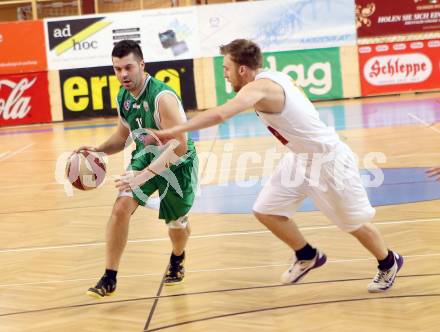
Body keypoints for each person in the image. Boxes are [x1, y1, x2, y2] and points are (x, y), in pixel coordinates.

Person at [127, 39, 403, 293]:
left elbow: (221, 113)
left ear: (243, 69)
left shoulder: (259, 88)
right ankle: (307, 255)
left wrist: (172, 131)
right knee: (266, 210)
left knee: (353, 224)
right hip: (300, 159)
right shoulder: (272, 76)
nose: (224, 73)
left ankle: (389, 262)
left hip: (328, 160)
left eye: (227, 68)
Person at [73, 40, 198, 299]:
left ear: (142, 65)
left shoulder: (162, 98)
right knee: (120, 207)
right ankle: (110, 276)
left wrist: (142, 176)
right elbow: (122, 136)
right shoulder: (124, 97)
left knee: (176, 226)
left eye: (128, 67)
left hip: (177, 163)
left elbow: (179, 147)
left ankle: (177, 257)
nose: (123, 75)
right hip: (145, 156)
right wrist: (97, 151)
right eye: (117, 69)